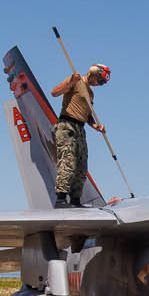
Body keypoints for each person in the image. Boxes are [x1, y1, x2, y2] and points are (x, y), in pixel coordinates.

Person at [49, 63, 110, 207]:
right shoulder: (76, 82)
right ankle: (61, 199)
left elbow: (88, 114)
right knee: (67, 161)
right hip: (67, 125)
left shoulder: (90, 93)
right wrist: (70, 81)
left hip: (80, 129)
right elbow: (54, 92)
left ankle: (76, 199)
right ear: (94, 73)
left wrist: (96, 126)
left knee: (82, 166)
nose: (98, 84)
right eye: (99, 80)